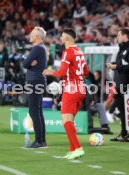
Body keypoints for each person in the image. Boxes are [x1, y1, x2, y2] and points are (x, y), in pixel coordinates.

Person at [43, 28, 89, 160]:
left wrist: (50, 72)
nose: (61, 39)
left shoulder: (67, 52)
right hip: (81, 88)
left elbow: (62, 72)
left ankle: (78, 148)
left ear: (68, 38)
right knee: (70, 121)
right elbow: (86, 71)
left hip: (71, 89)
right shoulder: (79, 51)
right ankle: (72, 149)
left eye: (62, 36)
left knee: (66, 121)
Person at [107, 28, 129, 142]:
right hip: (119, 84)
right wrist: (114, 65)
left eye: (119, 35)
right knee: (122, 110)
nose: (117, 37)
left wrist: (115, 67)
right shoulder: (121, 49)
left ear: (125, 36)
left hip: (128, 85)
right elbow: (122, 65)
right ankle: (123, 133)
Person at [23, 27, 47, 148]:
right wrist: (28, 62)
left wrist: (28, 63)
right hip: (38, 81)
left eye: (32, 33)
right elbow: (27, 63)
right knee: (38, 111)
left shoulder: (37, 48)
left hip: (35, 81)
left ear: (37, 36)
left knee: (34, 111)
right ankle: (42, 140)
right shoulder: (41, 48)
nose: (30, 35)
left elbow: (25, 63)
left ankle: (39, 140)